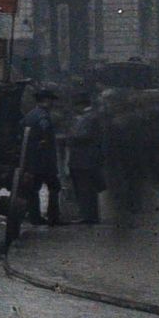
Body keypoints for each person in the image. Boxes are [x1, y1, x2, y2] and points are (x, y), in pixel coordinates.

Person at [21, 87, 64, 225]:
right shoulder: (43, 116)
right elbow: (45, 128)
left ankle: (35, 217)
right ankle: (53, 217)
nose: (52, 103)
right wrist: (45, 140)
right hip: (45, 161)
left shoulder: (30, 115)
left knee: (34, 189)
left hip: (32, 160)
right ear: (46, 101)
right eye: (51, 100)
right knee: (54, 187)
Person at [66, 91, 107, 225]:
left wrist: (69, 137)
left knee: (85, 189)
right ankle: (89, 215)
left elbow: (82, 136)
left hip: (83, 160)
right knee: (87, 189)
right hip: (86, 159)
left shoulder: (88, 118)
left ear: (80, 105)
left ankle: (88, 216)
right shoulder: (90, 117)